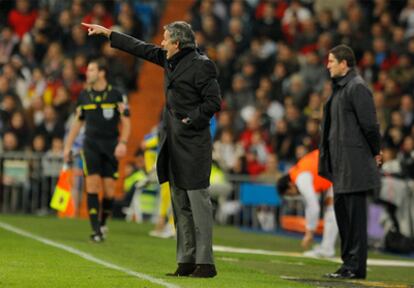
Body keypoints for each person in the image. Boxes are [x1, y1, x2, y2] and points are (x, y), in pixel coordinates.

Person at [82, 21, 221, 277]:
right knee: (180, 203)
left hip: (194, 143)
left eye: (166, 39)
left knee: (198, 204)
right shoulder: (169, 59)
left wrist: (190, 119)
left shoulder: (202, 65)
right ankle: (186, 260)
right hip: (173, 142)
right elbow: (140, 48)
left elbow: (214, 101)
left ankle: (206, 263)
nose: (162, 42)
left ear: (177, 43)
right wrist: (109, 33)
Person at [319, 44, 382, 279]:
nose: (328, 65)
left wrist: (376, 150)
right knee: (344, 217)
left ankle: (355, 267)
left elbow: (370, 124)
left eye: (332, 61)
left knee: (354, 219)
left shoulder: (356, 88)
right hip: (341, 164)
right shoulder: (341, 89)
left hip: (354, 164)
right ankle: (348, 264)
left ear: (344, 64)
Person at [63, 59, 131, 242]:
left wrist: (123, 143)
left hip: (110, 146)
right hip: (90, 145)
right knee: (92, 185)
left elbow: (126, 122)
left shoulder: (117, 95)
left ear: (102, 73)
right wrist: (68, 146)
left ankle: (102, 222)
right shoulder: (84, 96)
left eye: (91, 69)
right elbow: (78, 122)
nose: (88, 73)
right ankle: (96, 231)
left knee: (109, 191)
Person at [277, 149, 338, 258]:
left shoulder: (300, 178)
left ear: (290, 185)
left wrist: (309, 232)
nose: (294, 196)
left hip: (338, 167)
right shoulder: (299, 171)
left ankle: (327, 249)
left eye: (290, 194)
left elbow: (313, 206)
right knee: (331, 209)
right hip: (335, 170)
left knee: (332, 211)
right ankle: (327, 247)